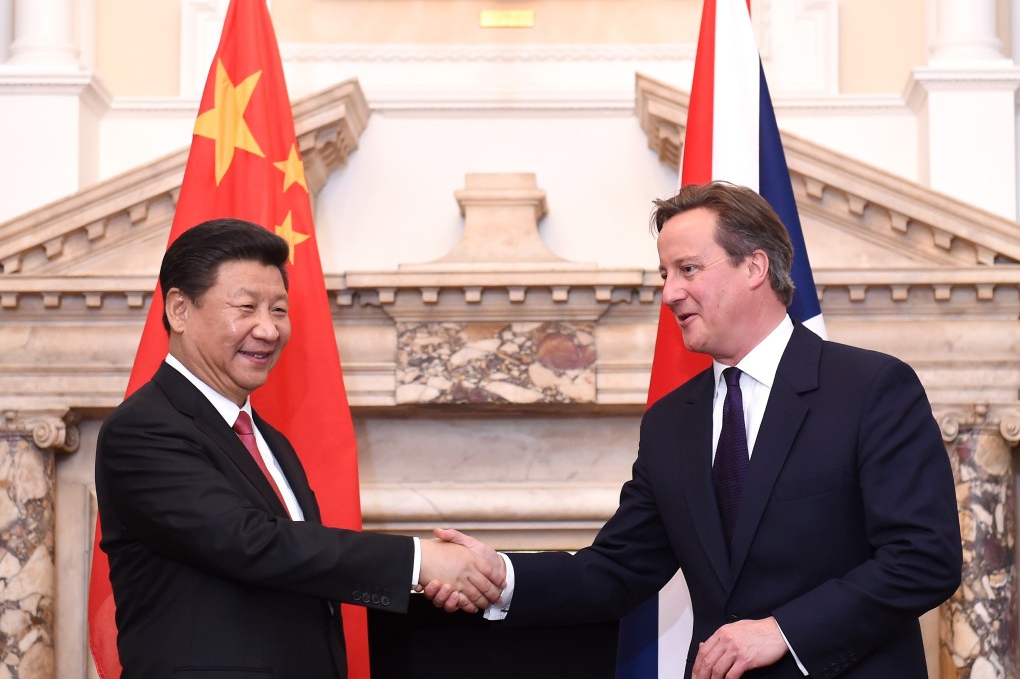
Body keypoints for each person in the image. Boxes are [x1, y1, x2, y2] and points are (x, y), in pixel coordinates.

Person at [428, 182, 962, 678]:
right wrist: (500, 573)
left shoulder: (869, 387)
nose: (670, 294)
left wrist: (784, 632)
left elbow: (924, 558)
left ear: (754, 266)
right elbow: (615, 570)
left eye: (687, 269)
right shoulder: (670, 422)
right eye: (665, 275)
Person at [95, 218, 505, 679]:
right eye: (246, 307)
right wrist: (419, 562)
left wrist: (434, 581)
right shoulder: (142, 429)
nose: (268, 330)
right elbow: (249, 543)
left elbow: (301, 575)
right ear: (179, 310)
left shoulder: (271, 442)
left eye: (279, 310)